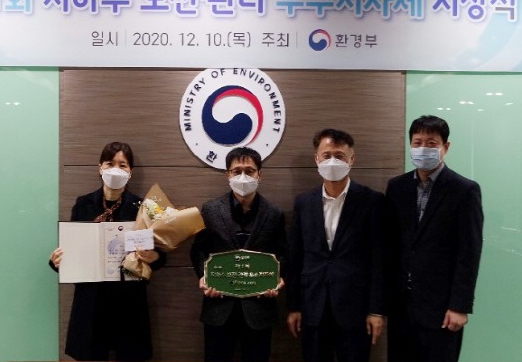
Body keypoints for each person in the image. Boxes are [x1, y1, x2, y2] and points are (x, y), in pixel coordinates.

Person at [49, 141, 166, 361]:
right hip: (92, 297)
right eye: (110, 163)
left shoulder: (143, 206)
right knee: (92, 354)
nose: (115, 170)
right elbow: (73, 247)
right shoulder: (83, 204)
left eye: (122, 165)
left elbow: (160, 254)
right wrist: (58, 261)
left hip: (128, 298)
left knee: (129, 355)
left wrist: (154, 256)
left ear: (130, 171)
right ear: (100, 167)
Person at [385, 115, 484, 362]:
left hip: (442, 308)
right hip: (401, 305)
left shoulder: (464, 190)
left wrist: (460, 306)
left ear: (445, 147)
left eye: (431, 143)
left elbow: (469, 253)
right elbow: (391, 246)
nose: (423, 148)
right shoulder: (397, 187)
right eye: (417, 142)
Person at [286, 128, 386, 362]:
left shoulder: (372, 201)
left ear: (352, 159)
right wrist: (294, 307)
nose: (332, 161)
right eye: (327, 155)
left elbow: (380, 259)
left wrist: (377, 310)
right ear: (317, 159)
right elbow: (295, 257)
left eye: (339, 156)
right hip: (312, 307)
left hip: (356, 309)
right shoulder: (303, 203)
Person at [190, 147, 287, 362]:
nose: (243, 176)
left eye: (249, 171)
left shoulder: (274, 213)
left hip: (259, 308)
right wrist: (204, 277)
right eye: (237, 171)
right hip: (219, 307)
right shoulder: (210, 209)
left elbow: (283, 254)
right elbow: (199, 250)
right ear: (228, 175)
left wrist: (277, 278)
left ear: (259, 174)